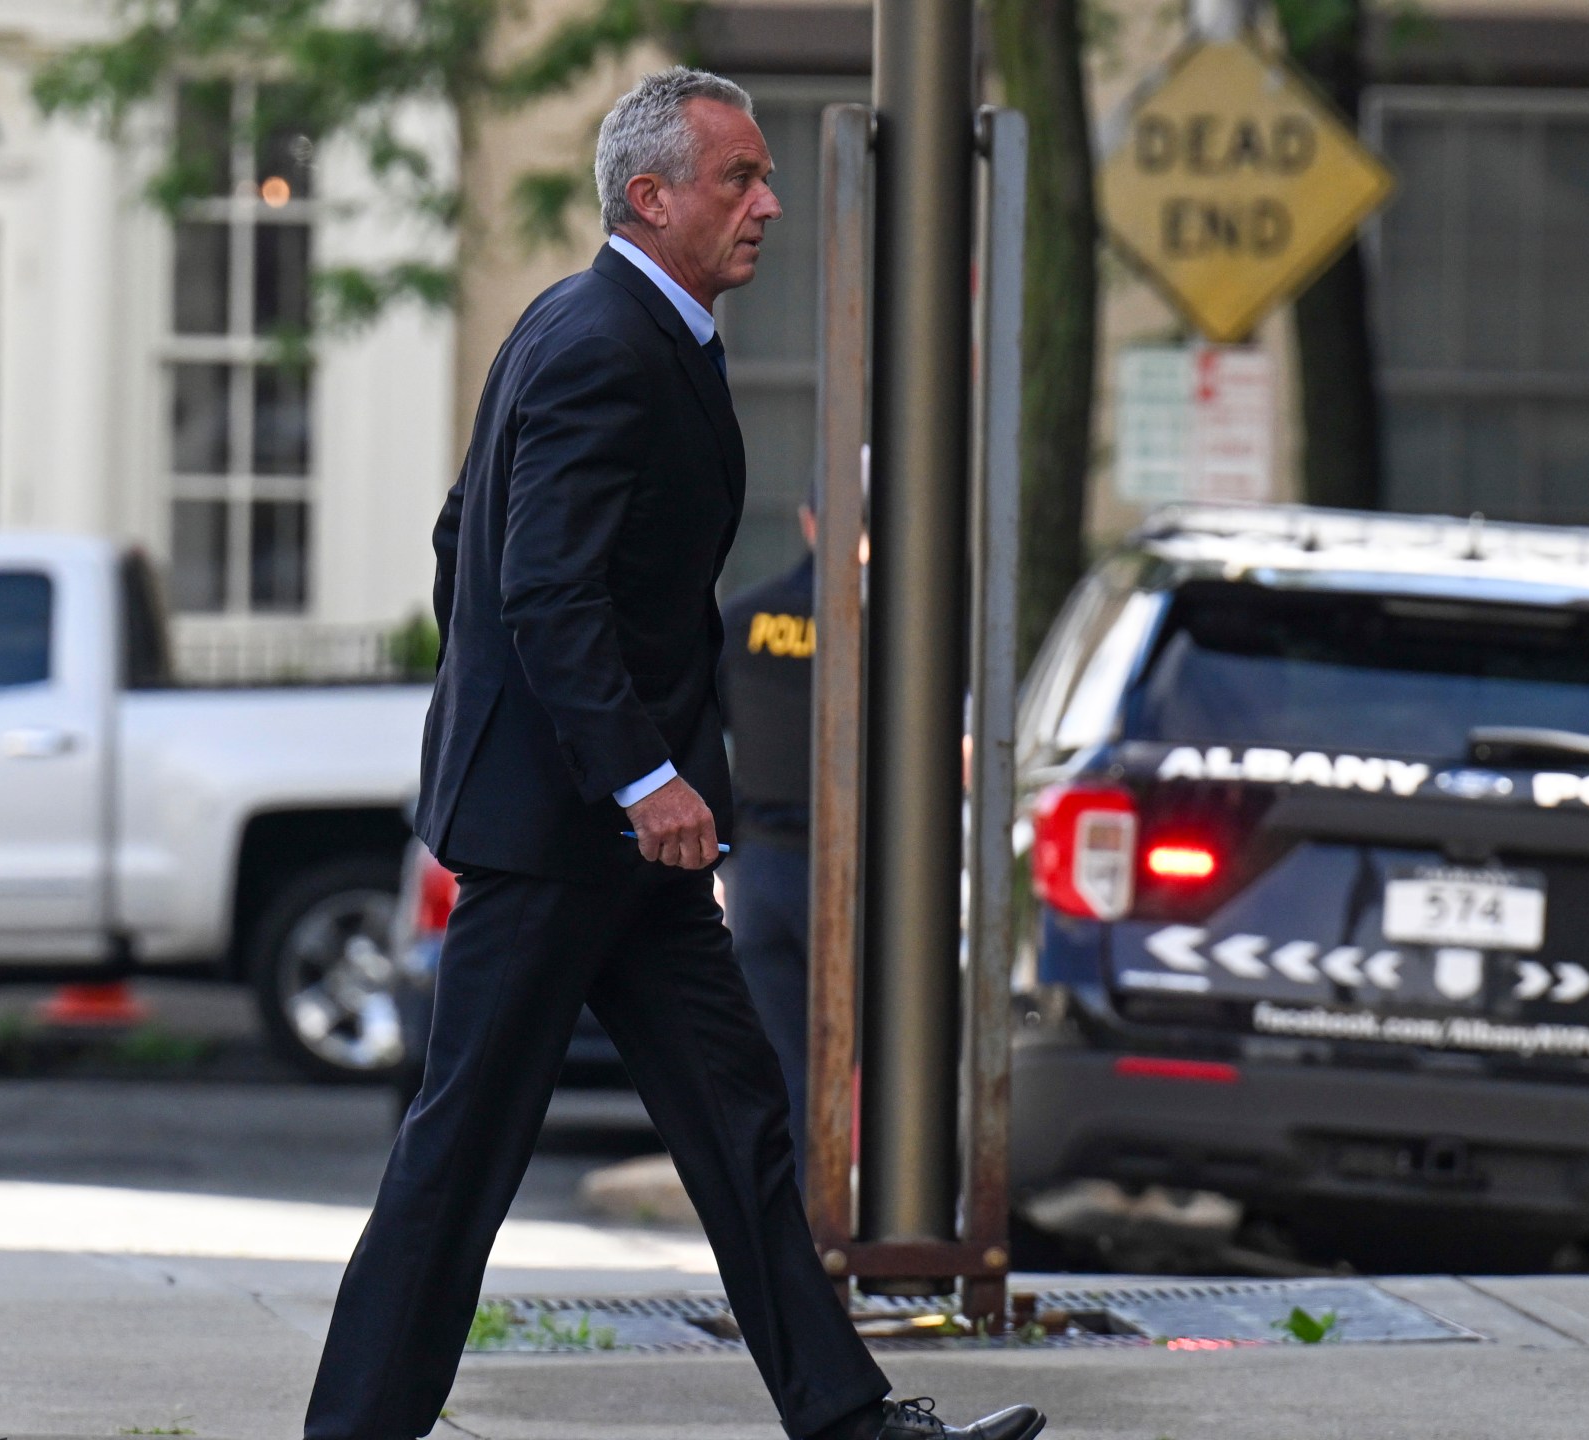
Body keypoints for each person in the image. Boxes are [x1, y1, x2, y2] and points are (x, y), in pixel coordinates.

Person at [302, 69, 1044, 1440]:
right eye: (738, 180)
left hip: (621, 839)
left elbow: (465, 546)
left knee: (743, 1128)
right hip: (564, 835)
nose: (767, 203)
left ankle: (845, 1417)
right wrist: (640, 776)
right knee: (457, 1164)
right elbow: (539, 587)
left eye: (764, 176)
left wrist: (621, 776)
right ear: (650, 198)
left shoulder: (616, 326)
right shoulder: (602, 342)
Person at [717, 502, 818, 1174]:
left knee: (784, 1068)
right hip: (855, 878)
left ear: (809, 520)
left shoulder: (745, 619)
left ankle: (797, 1232)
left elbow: (702, 737)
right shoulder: (900, 627)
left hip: (759, 871)